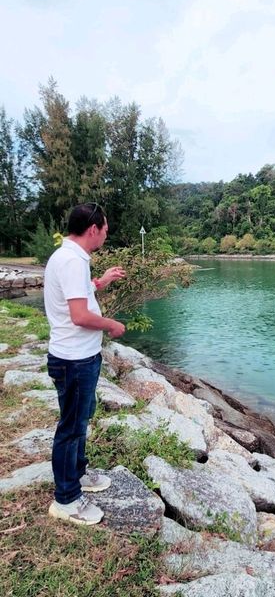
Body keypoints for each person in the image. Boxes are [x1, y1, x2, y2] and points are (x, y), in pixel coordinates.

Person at [44, 203, 126, 525]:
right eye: (105, 229)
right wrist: (111, 325)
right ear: (93, 229)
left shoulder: (68, 257)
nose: (106, 234)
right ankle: (66, 499)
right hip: (74, 360)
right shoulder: (72, 262)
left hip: (78, 358)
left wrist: (100, 283)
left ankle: (78, 474)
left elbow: (75, 298)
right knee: (71, 427)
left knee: (79, 419)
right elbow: (79, 316)